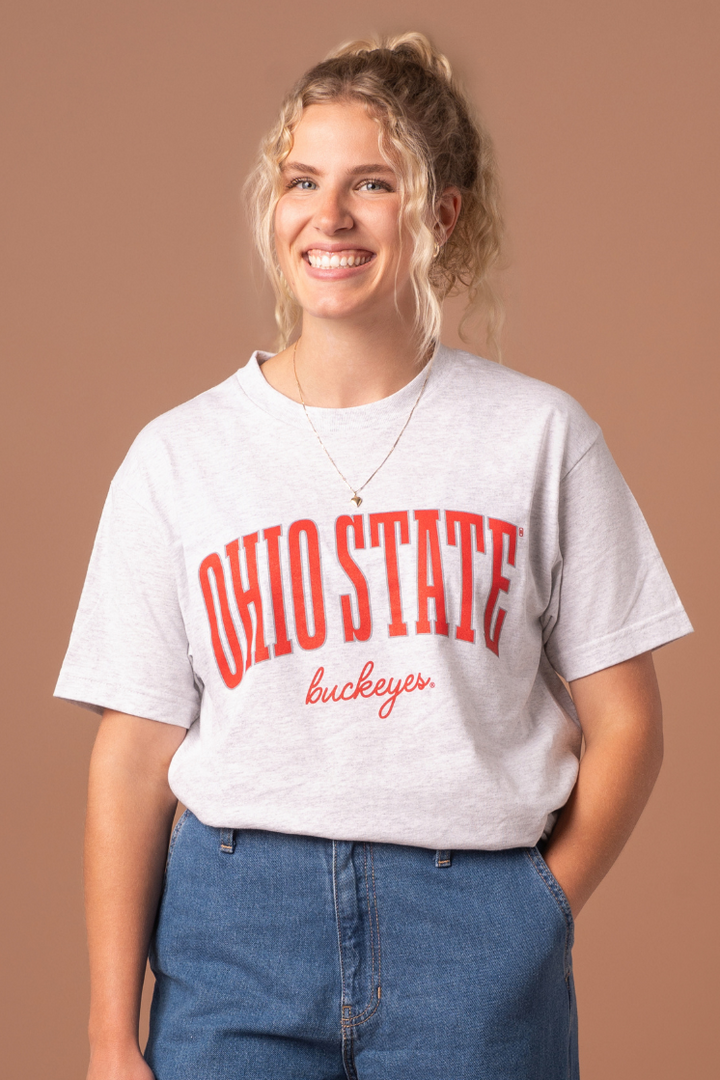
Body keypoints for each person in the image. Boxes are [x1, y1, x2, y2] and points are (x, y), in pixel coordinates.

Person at [55, 32, 693, 1080]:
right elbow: (130, 760)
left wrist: (531, 912)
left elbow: (629, 722)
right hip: (235, 932)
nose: (329, 217)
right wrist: (106, 1035)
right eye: (303, 180)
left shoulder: (538, 437)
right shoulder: (179, 456)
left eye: (373, 183)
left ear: (441, 212)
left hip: (470, 924)